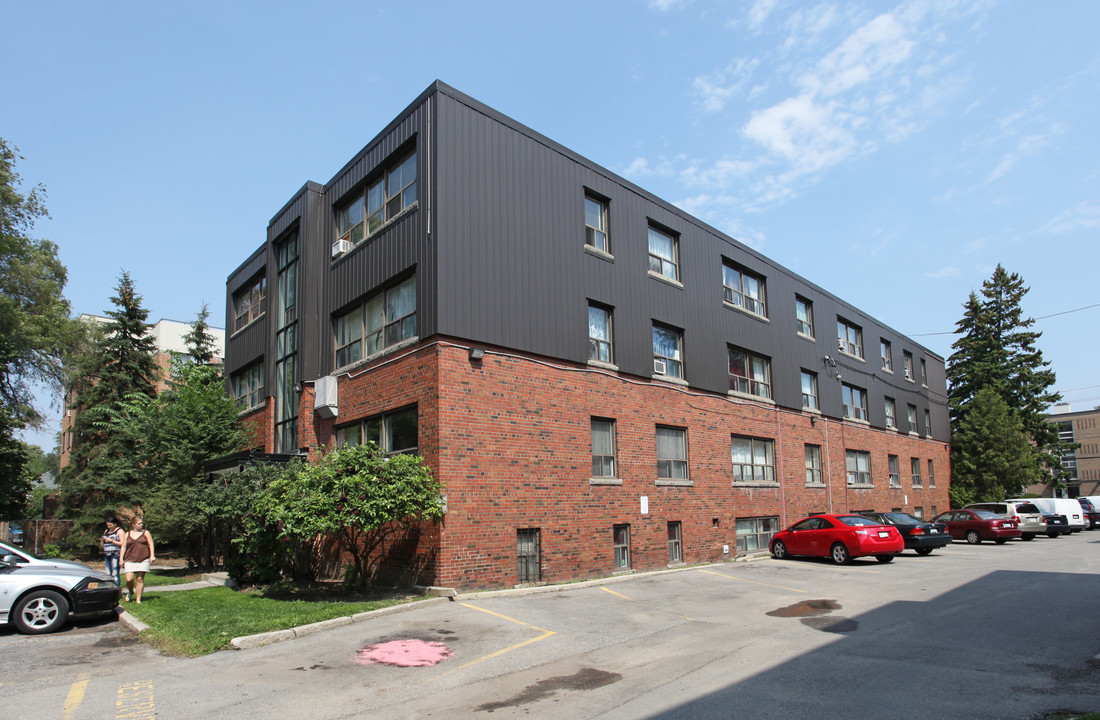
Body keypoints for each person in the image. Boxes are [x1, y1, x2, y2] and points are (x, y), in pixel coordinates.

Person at [120, 516, 155, 603]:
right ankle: (130, 591)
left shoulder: (146, 533)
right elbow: (123, 546)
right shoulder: (127, 534)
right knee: (129, 579)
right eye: (139, 523)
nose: (141, 525)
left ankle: (138, 599)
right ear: (133, 525)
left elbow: (150, 544)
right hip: (130, 559)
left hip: (143, 558)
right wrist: (121, 558)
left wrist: (152, 555)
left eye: (142, 523)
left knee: (140, 579)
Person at [101, 515, 122, 585]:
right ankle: (110, 588)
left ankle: (117, 587)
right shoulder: (106, 531)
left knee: (115, 572)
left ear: (115, 524)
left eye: (110, 525)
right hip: (107, 554)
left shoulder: (119, 531)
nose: (109, 527)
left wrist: (112, 541)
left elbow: (123, 543)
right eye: (107, 525)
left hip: (115, 554)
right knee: (108, 573)